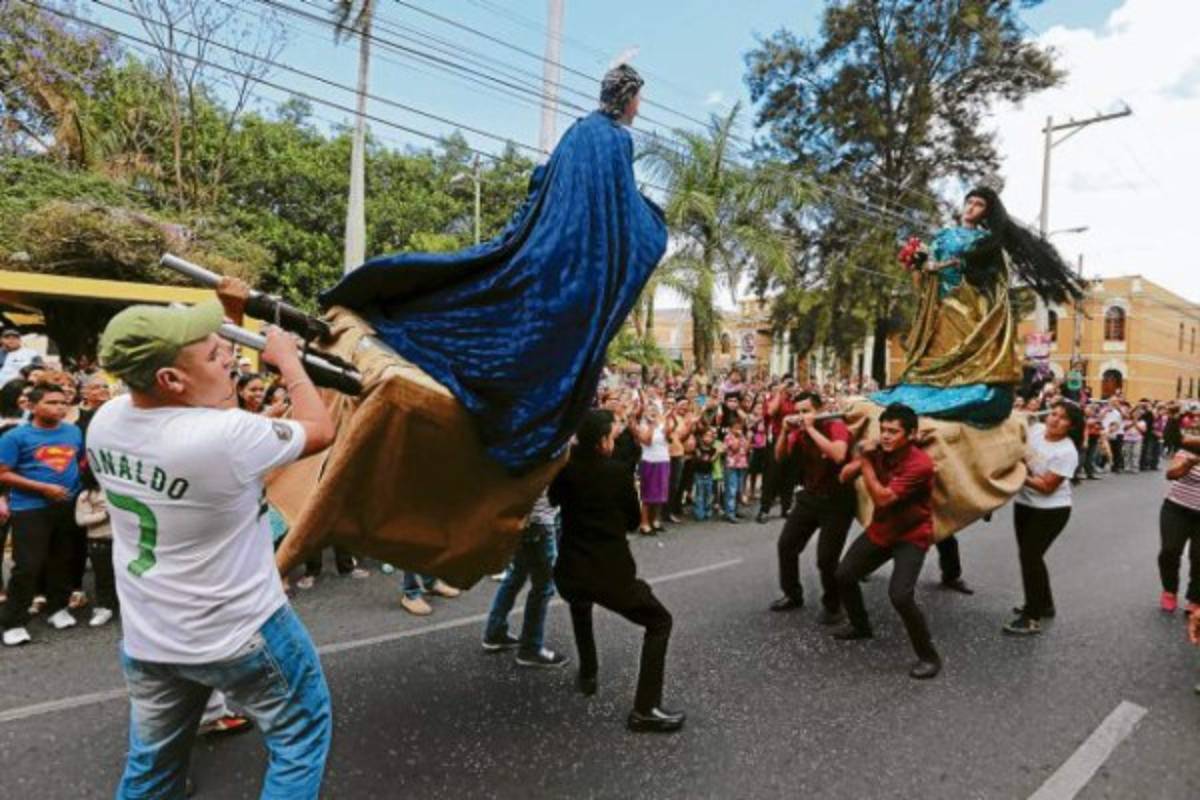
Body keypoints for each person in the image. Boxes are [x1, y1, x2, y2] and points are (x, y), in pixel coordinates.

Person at [319, 64, 666, 474]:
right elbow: (622, 209)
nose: (639, 108)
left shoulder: (578, 130)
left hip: (546, 246)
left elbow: (542, 181)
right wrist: (655, 223)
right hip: (573, 263)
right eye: (638, 99)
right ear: (627, 98)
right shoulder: (615, 140)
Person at [87, 299, 336, 798]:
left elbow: (208, 409)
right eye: (212, 353)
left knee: (152, 768)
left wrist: (232, 318)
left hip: (150, 635)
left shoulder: (107, 419)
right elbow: (321, 430)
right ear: (170, 379)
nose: (229, 357)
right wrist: (289, 363)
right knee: (299, 737)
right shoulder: (223, 436)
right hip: (240, 631)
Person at [551, 409, 684, 733]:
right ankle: (645, 709)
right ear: (602, 442)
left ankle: (588, 674)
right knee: (659, 621)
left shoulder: (565, 468)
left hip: (570, 569)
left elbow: (554, 499)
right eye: (612, 435)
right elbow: (631, 521)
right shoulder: (617, 472)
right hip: (608, 573)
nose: (615, 440)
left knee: (580, 606)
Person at [833, 403, 941, 680]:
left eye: (893, 431)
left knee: (900, 596)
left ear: (911, 434)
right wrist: (861, 454)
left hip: (912, 535)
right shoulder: (878, 451)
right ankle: (860, 626)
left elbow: (883, 498)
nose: (886, 436)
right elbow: (844, 476)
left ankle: (929, 657)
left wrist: (865, 461)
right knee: (844, 575)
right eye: (883, 430)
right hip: (882, 529)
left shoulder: (920, 464)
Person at [0, 382, 85, 645]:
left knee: (62, 560)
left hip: (67, 505)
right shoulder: (15, 437)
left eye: (63, 403)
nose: (59, 407)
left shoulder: (73, 431)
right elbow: (3, 473)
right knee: (28, 566)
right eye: (51, 402)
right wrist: (43, 488)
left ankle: (57, 608)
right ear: (32, 406)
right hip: (30, 508)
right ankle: (14, 622)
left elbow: (79, 461)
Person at [769, 392, 854, 625]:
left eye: (806, 411)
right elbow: (780, 457)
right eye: (798, 411)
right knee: (786, 545)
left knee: (826, 559)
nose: (801, 416)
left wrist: (811, 429)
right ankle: (792, 594)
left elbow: (838, 455)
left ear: (820, 409)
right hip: (810, 497)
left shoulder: (834, 426)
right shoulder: (799, 433)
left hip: (838, 501)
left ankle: (833, 606)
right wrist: (784, 432)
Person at [1004, 402, 1082, 635]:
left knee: (1030, 557)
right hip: (1025, 505)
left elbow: (1047, 487)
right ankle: (1044, 604)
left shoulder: (1067, 452)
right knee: (1031, 557)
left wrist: (1019, 473)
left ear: (1071, 426)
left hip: (1051, 510)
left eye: (1063, 418)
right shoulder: (1037, 431)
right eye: (1054, 413)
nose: (1055, 419)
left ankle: (1032, 616)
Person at [481, 488, 569, 668]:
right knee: (543, 588)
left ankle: (495, 632)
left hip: (525, 521)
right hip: (538, 522)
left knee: (516, 576)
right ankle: (531, 648)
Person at [1158, 447, 1200, 614]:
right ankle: (1169, 590)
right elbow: (1171, 475)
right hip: (1176, 509)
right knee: (1170, 550)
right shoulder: (1190, 450)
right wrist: (1189, 464)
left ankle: (1195, 598)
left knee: (1199, 556)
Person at [74, 468, 117, 627]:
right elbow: (81, 520)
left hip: (123, 541)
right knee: (104, 577)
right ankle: (104, 607)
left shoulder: (119, 490)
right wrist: (106, 514)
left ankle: (124, 606)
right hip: (99, 541)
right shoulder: (86, 495)